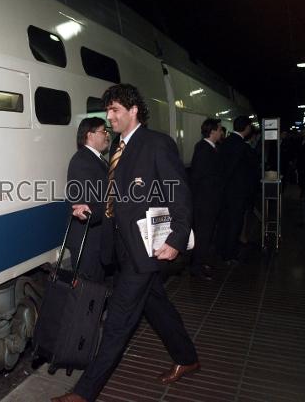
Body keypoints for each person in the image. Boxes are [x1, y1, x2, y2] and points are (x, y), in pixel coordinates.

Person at [52, 84, 199, 402]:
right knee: (156, 305)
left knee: (118, 322)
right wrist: (87, 209)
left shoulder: (156, 144)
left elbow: (180, 194)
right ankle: (187, 358)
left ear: (134, 111)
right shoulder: (118, 147)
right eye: (107, 110)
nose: (109, 116)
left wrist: (175, 239)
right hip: (120, 247)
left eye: (115, 110)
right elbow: (116, 201)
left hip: (146, 249)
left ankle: (84, 392)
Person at [65, 117, 112, 281]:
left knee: (97, 290)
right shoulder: (82, 161)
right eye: (103, 131)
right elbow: (87, 203)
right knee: (88, 293)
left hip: (96, 239)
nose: (107, 135)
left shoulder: (97, 159)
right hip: (88, 242)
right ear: (89, 135)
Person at [216, 115, 255, 265]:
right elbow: (247, 170)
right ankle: (230, 254)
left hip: (224, 191)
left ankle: (221, 249)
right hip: (238, 192)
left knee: (224, 221)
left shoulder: (225, 143)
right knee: (235, 223)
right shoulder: (243, 146)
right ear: (246, 128)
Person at [189, 118, 223, 280]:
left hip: (210, 200)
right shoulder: (203, 148)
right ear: (213, 131)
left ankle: (201, 262)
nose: (221, 133)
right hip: (204, 202)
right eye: (219, 129)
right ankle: (196, 267)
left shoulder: (213, 148)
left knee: (207, 234)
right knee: (202, 235)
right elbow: (197, 177)